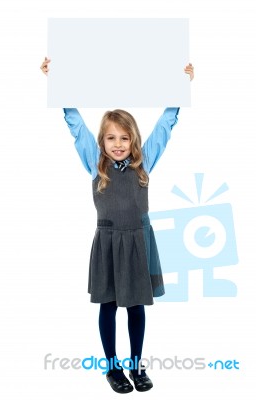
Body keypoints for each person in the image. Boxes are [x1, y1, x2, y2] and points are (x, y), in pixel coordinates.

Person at [40, 57, 194, 394]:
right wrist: (59, 86)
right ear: (102, 142)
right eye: (111, 138)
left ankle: (136, 365)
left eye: (125, 137)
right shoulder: (96, 164)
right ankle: (112, 368)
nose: (119, 144)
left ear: (134, 140)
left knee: (136, 305)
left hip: (138, 242)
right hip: (108, 243)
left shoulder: (144, 162)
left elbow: (166, 126)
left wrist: (181, 88)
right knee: (108, 306)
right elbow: (76, 125)